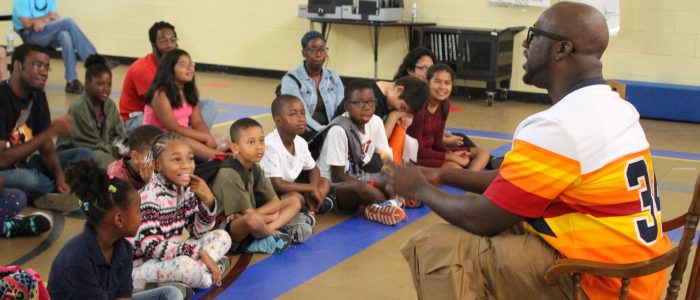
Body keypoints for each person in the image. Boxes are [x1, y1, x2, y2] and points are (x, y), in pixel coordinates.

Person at [385, 2, 671, 299]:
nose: (525, 43)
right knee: (494, 229)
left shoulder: (560, 125)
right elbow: (515, 182)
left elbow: (483, 218)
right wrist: (444, 176)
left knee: (437, 244)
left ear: (561, 50)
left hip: (600, 282)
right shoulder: (615, 106)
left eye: (534, 34)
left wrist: (419, 188)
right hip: (640, 273)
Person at [48, 159, 183, 300]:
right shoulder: (76, 260)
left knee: (170, 294)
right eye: (138, 212)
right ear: (119, 220)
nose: (141, 217)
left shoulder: (123, 248)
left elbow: (123, 295)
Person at [130, 133, 231, 292]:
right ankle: (206, 277)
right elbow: (153, 248)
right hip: (141, 267)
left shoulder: (185, 191)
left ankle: (192, 277)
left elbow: (198, 232)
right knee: (186, 266)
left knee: (223, 237)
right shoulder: (148, 197)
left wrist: (208, 201)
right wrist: (200, 253)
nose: (186, 165)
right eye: (177, 160)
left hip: (170, 257)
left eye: (190, 158)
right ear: (157, 165)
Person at [0, 43, 93, 212]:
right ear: (17, 66)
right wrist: (50, 132)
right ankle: (47, 193)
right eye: (37, 65)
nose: (43, 72)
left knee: (85, 155)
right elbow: (2, 160)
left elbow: (47, 147)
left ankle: (52, 192)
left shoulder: (38, 96)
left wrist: (60, 178)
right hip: (6, 170)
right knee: (31, 181)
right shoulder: (2, 98)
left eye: (47, 68)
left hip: (29, 163)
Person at [209, 118, 312, 254]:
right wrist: (271, 216)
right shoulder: (229, 174)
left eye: (261, 140)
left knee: (295, 201)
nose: (259, 147)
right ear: (235, 148)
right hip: (225, 232)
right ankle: (270, 233)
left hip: (250, 216)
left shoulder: (255, 167)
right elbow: (249, 216)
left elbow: (274, 202)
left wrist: (269, 216)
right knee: (253, 221)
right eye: (251, 142)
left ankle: (271, 230)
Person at [316, 80, 406, 226]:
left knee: (397, 176)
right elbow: (337, 175)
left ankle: (373, 207)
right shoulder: (338, 130)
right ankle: (385, 204)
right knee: (363, 188)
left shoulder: (375, 122)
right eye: (359, 103)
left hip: (360, 175)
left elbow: (386, 157)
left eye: (371, 102)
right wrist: (375, 187)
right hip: (336, 187)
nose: (366, 107)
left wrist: (395, 180)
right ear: (346, 105)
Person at [120, 21, 217, 133]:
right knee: (179, 119)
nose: (169, 45)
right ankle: (189, 137)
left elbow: (187, 100)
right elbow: (161, 106)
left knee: (210, 105)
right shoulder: (142, 68)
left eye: (173, 40)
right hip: (138, 119)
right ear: (153, 44)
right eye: (163, 41)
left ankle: (190, 136)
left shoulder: (176, 67)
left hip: (171, 115)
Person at [142, 49, 223, 160]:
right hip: (159, 140)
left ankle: (214, 155)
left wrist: (208, 138)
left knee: (222, 142)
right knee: (192, 145)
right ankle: (221, 157)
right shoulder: (160, 95)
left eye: (191, 64)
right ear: (170, 69)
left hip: (180, 135)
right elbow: (173, 128)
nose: (189, 69)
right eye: (183, 65)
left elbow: (197, 121)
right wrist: (205, 138)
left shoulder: (189, 91)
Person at [406, 64, 490, 170]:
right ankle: (470, 178)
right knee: (454, 166)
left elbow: (438, 142)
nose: (442, 87)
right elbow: (417, 151)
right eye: (437, 81)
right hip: (418, 158)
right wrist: (451, 158)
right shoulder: (419, 109)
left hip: (435, 153)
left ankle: (469, 178)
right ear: (427, 82)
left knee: (483, 152)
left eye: (447, 83)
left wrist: (450, 153)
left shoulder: (444, 104)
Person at [260, 95, 333, 215]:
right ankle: (308, 208)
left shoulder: (300, 142)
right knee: (296, 198)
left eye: (303, 113)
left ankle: (312, 206)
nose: (301, 119)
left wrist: (313, 187)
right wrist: (311, 188)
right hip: (272, 193)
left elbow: (314, 168)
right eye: (293, 114)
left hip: (291, 186)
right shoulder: (270, 145)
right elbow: (278, 185)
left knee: (324, 181)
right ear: (278, 120)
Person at [12, 0, 100, 93]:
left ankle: (71, 81)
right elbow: (26, 23)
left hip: (45, 31)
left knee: (65, 35)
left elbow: (55, 17)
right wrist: (46, 18)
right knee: (68, 22)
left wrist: (45, 21)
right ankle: (92, 60)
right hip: (30, 34)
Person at [56, 54, 127, 169]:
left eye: (109, 84)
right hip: (77, 153)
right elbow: (90, 143)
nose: (106, 88)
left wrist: (124, 146)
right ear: (87, 85)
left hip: (104, 150)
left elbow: (118, 132)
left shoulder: (109, 105)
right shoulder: (79, 108)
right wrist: (115, 150)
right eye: (100, 84)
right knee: (103, 160)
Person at [280, 31, 344, 140]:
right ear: (303, 52)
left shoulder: (333, 77)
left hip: (331, 132)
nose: (318, 54)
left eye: (322, 49)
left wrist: (336, 130)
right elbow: (300, 115)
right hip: (303, 132)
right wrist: (323, 131)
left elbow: (341, 108)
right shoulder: (291, 79)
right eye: (313, 49)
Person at [107, 125, 164, 191]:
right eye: (155, 156)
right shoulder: (116, 177)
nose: (161, 161)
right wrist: (150, 184)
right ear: (136, 157)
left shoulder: (161, 168)